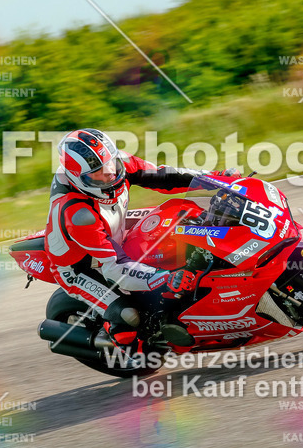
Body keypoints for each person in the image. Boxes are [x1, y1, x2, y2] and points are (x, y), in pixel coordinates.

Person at [43, 128, 236, 345]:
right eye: (98, 174)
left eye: (110, 165)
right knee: (129, 316)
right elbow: (114, 267)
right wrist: (165, 278)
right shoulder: (78, 215)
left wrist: (215, 178)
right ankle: (120, 341)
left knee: (177, 226)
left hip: (112, 232)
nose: (110, 175)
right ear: (78, 179)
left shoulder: (119, 163)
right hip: (82, 265)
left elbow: (164, 176)